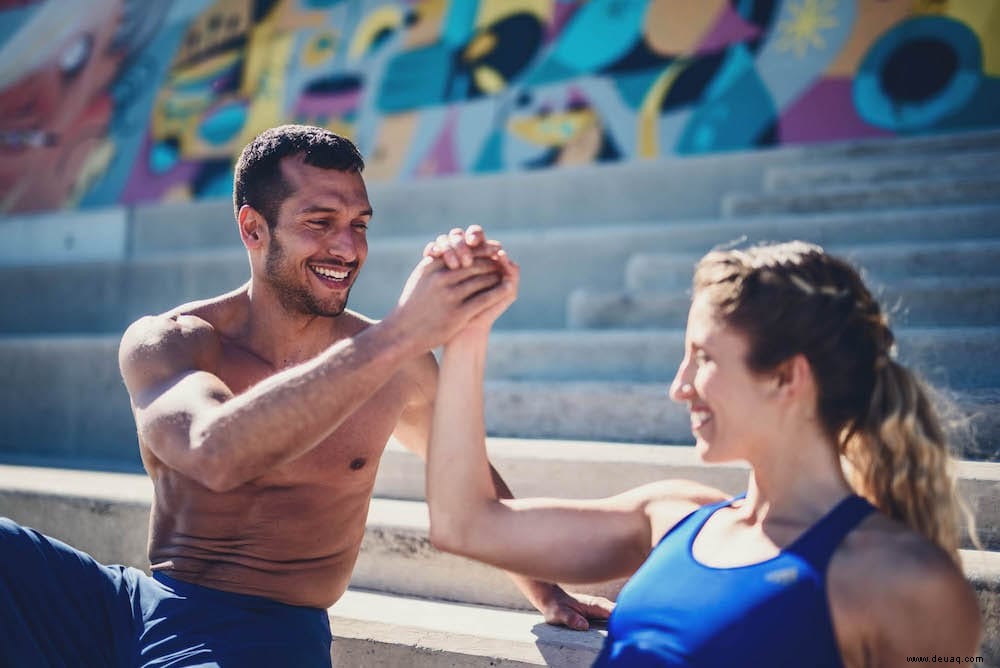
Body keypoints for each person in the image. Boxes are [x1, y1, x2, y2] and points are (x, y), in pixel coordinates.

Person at [0, 124, 611, 667]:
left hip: (263, 635)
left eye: (360, 225)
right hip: (136, 604)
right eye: (320, 224)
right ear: (252, 228)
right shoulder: (176, 343)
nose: (348, 249)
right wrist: (402, 333)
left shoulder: (395, 364)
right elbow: (215, 453)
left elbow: (469, 482)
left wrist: (546, 589)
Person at [425, 240, 983, 666]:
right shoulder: (673, 517)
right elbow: (464, 524)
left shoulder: (904, 580)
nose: (679, 385)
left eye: (703, 357)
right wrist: (468, 331)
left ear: (787, 377)